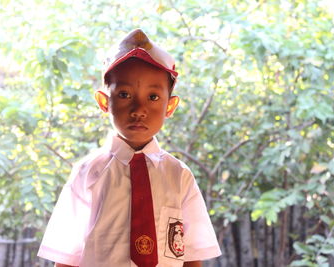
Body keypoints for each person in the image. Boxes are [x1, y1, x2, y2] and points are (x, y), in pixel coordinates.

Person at [37, 28, 221, 267]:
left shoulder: (179, 176)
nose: (139, 109)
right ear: (104, 101)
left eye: (153, 97)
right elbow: (66, 257)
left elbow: (192, 256)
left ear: (170, 106)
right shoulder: (87, 173)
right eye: (124, 94)